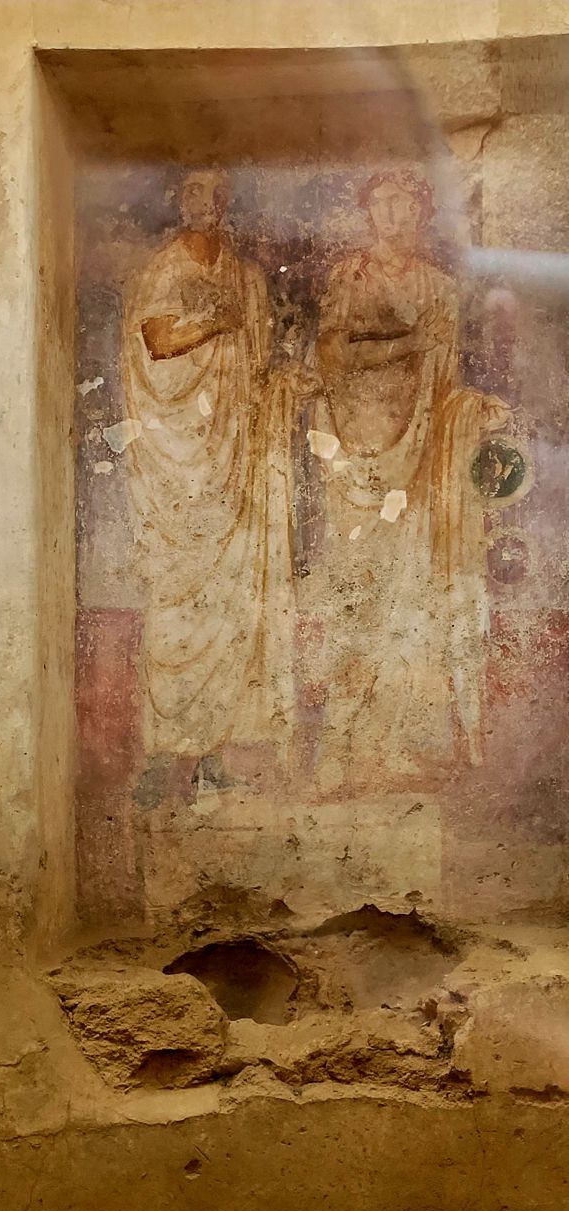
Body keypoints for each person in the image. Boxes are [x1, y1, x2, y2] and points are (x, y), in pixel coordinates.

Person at [307, 168, 511, 792]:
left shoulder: (440, 287)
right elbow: (332, 357)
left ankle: (392, 741)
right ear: (368, 211)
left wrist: (472, 409)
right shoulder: (350, 276)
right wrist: (408, 342)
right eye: (382, 203)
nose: (394, 214)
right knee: (357, 598)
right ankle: (339, 745)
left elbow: (444, 389)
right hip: (357, 461)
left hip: (418, 465)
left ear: (421, 211)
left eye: (405, 203)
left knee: (409, 601)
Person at [123, 169, 296, 800]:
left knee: (228, 600)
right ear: (179, 199)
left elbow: (260, 369)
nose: (211, 202)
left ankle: (212, 754)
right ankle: (160, 753)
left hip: (233, 457)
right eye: (198, 191)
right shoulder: (165, 268)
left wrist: (286, 388)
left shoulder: (248, 277)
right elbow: (157, 340)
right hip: (178, 463)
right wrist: (214, 324)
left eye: (221, 192)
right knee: (176, 600)